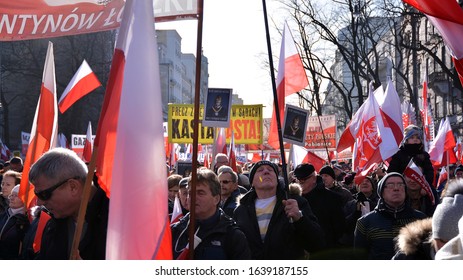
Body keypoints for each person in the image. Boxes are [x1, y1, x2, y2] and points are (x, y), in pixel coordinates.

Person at [28, 147, 109, 260]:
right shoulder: (53, 224)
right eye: (37, 195)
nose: (39, 202)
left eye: (44, 194)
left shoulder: (118, 222)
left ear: (73, 187)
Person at [234, 160, 325, 259]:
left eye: (270, 170)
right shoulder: (241, 211)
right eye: (260, 170)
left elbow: (317, 243)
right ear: (252, 183)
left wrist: (300, 219)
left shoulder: (295, 202)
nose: (266, 172)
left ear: (277, 180)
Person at [171, 168, 251, 259]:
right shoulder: (175, 231)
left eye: (200, 193)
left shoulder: (232, 236)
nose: (193, 197)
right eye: (190, 193)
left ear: (216, 199)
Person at [354, 172, 427, 259]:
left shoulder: (420, 220)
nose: (396, 188)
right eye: (390, 185)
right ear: (381, 192)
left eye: (400, 185)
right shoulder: (365, 222)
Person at [292, 163, 346, 258]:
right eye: (298, 179)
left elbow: (339, 228)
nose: (300, 182)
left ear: (314, 178)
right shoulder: (292, 200)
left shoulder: (332, 198)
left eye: (304, 179)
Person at [0, 185, 29, 259]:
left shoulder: (27, 219)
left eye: (16, 195)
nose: (11, 198)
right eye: (11, 195)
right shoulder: (3, 214)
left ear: (25, 198)